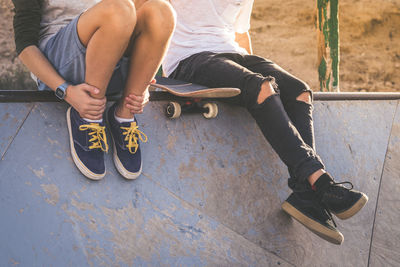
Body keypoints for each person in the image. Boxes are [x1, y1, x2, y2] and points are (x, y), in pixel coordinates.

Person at [163, 0, 368, 244]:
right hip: (188, 59)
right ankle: (320, 183)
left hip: (232, 55)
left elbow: (240, 33)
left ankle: (305, 194)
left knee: (299, 90)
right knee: (261, 86)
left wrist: (249, 76)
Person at [12, 0, 176, 180]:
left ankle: (124, 115)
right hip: (62, 67)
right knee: (117, 9)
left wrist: (142, 81)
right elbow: (25, 46)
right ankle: (89, 117)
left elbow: (140, 15)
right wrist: (64, 90)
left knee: (161, 11)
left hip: (110, 62)